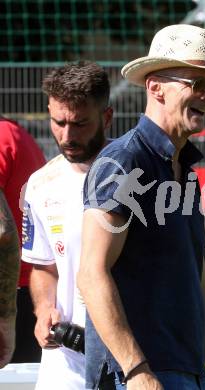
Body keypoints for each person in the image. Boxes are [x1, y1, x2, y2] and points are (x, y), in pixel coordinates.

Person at [78, 24, 205, 390]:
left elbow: (198, 288)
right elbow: (91, 275)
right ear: (155, 87)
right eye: (196, 84)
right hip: (140, 375)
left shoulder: (185, 171)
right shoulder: (124, 162)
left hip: (185, 372)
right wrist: (137, 372)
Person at [21, 61, 113, 389]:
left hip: (125, 359)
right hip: (65, 360)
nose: (67, 135)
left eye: (80, 123)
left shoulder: (134, 176)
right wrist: (44, 308)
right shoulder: (40, 185)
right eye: (58, 122)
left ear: (106, 117)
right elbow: (44, 266)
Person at [0, 117, 46, 367]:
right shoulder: (16, 134)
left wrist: (5, 317)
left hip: (9, 299)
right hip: (31, 292)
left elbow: (3, 232)